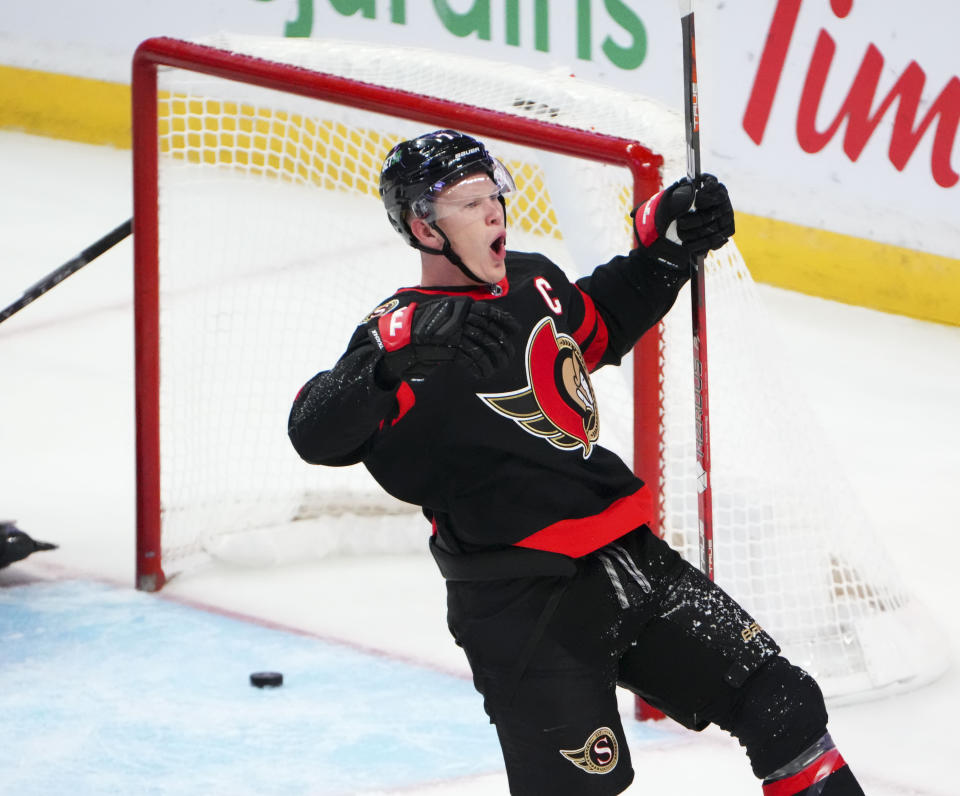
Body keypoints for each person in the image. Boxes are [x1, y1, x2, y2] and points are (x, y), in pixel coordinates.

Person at [288, 129, 865, 795]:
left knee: (782, 703)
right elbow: (313, 431)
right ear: (425, 227)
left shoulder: (534, 281)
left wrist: (666, 252)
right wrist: (384, 368)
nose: (494, 212)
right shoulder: (401, 334)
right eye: (471, 202)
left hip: (627, 559)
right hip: (522, 604)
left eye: (494, 194)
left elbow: (602, 319)